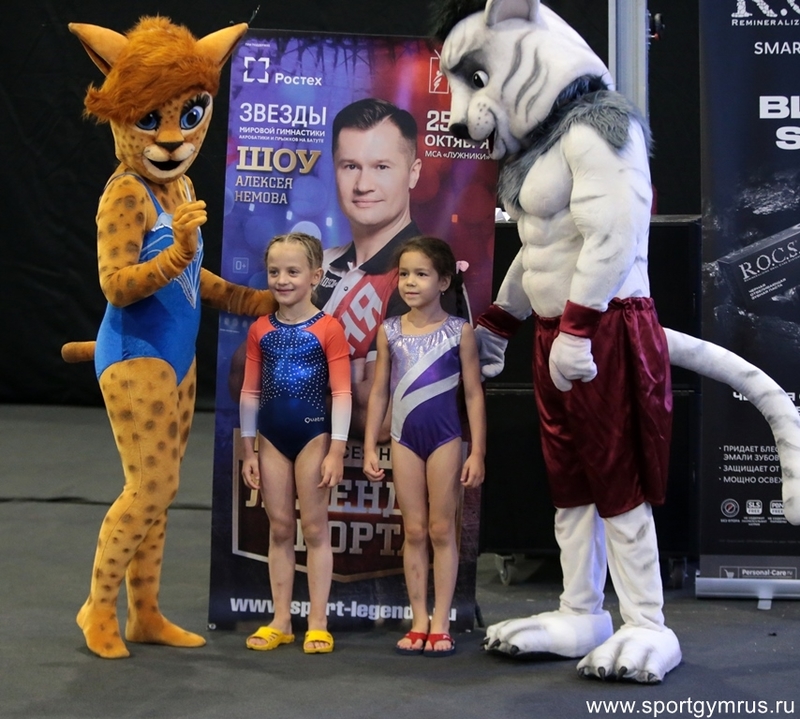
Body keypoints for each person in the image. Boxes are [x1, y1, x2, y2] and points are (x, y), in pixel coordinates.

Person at [362, 236, 486, 657]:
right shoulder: (390, 331)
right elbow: (379, 391)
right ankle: (419, 619)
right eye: (404, 274)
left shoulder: (459, 332)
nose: (410, 282)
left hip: (446, 439)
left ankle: (441, 621)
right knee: (414, 530)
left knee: (441, 529)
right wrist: (369, 443)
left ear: (444, 281)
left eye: (421, 274)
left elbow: (473, 394)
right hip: (404, 440)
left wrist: (477, 451)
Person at [239, 232, 351, 654]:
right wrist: (248, 449)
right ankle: (281, 619)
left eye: (292, 271)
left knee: (315, 528)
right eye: (274, 271)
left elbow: (342, 393)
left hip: (312, 437)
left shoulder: (328, 328)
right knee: (281, 528)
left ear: (315, 276)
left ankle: (318, 622)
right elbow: (250, 392)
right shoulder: (260, 330)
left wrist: (336, 449)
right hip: (270, 438)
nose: (282, 280)